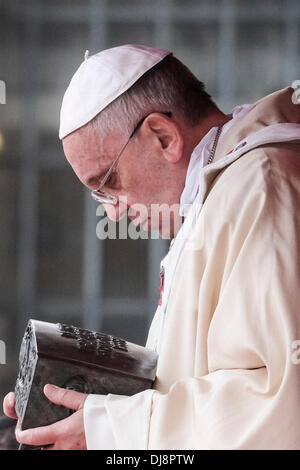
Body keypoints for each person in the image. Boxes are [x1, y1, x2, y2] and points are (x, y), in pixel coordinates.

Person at [3, 44, 300, 450]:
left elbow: (283, 401)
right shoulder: (213, 196)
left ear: (162, 136)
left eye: (109, 183)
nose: (113, 212)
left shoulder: (262, 185)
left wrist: (110, 429)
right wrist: (83, 403)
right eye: (99, 196)